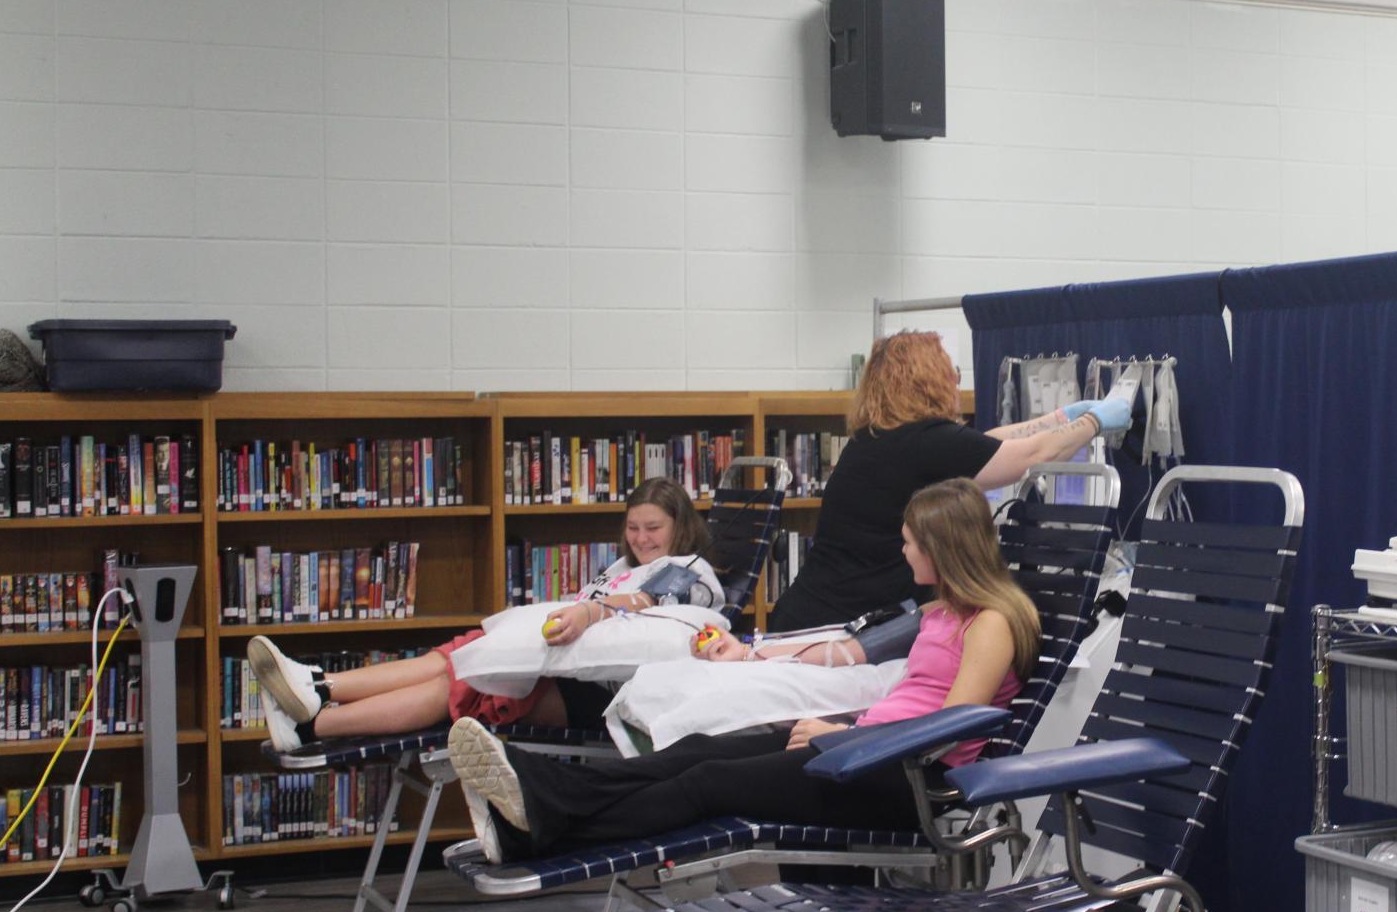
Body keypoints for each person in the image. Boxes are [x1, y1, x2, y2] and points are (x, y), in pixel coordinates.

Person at [448, 477, 1038, 868]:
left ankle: (532, 831)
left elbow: (953, 727)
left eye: (911, 543)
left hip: (898, 776)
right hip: (863, 748)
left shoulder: (990, 622)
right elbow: (879, 666)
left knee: (708, 787)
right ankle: (533, 790)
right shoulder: (941, 612)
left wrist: (847, 736)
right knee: (700, 749)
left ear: (944, 546)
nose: (903, 553)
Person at [250, 478, 722, 751]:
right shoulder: (623, 566)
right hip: (559, 669)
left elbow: (650, 602)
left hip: (603, 697)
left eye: (653, 528)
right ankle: (317, 689)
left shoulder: (689, 572)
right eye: (633, 527)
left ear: (681, 527)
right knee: (455, 657)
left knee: (462, 683)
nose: (641, 539)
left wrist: (590, 612)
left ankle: (314, 718)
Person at [766, 329, 1128, 631]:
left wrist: (1062, 417)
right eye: (951, 372)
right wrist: (1094, 422)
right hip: (837, 630)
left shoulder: (879, 436)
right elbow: (1032, 457)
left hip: (808, 616)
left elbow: (984, 445)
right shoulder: (925, 442)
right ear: (930, 380)